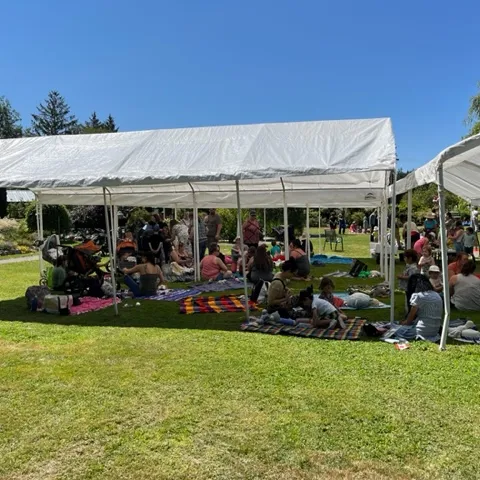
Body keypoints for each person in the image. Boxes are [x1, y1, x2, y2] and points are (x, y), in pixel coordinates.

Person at [397, 274, 443, 341]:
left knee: (395, 329)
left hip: (421, 330)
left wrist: (403, 323)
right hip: (435, 331)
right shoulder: (437, 295)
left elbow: (409, 321)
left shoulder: (418, 296)